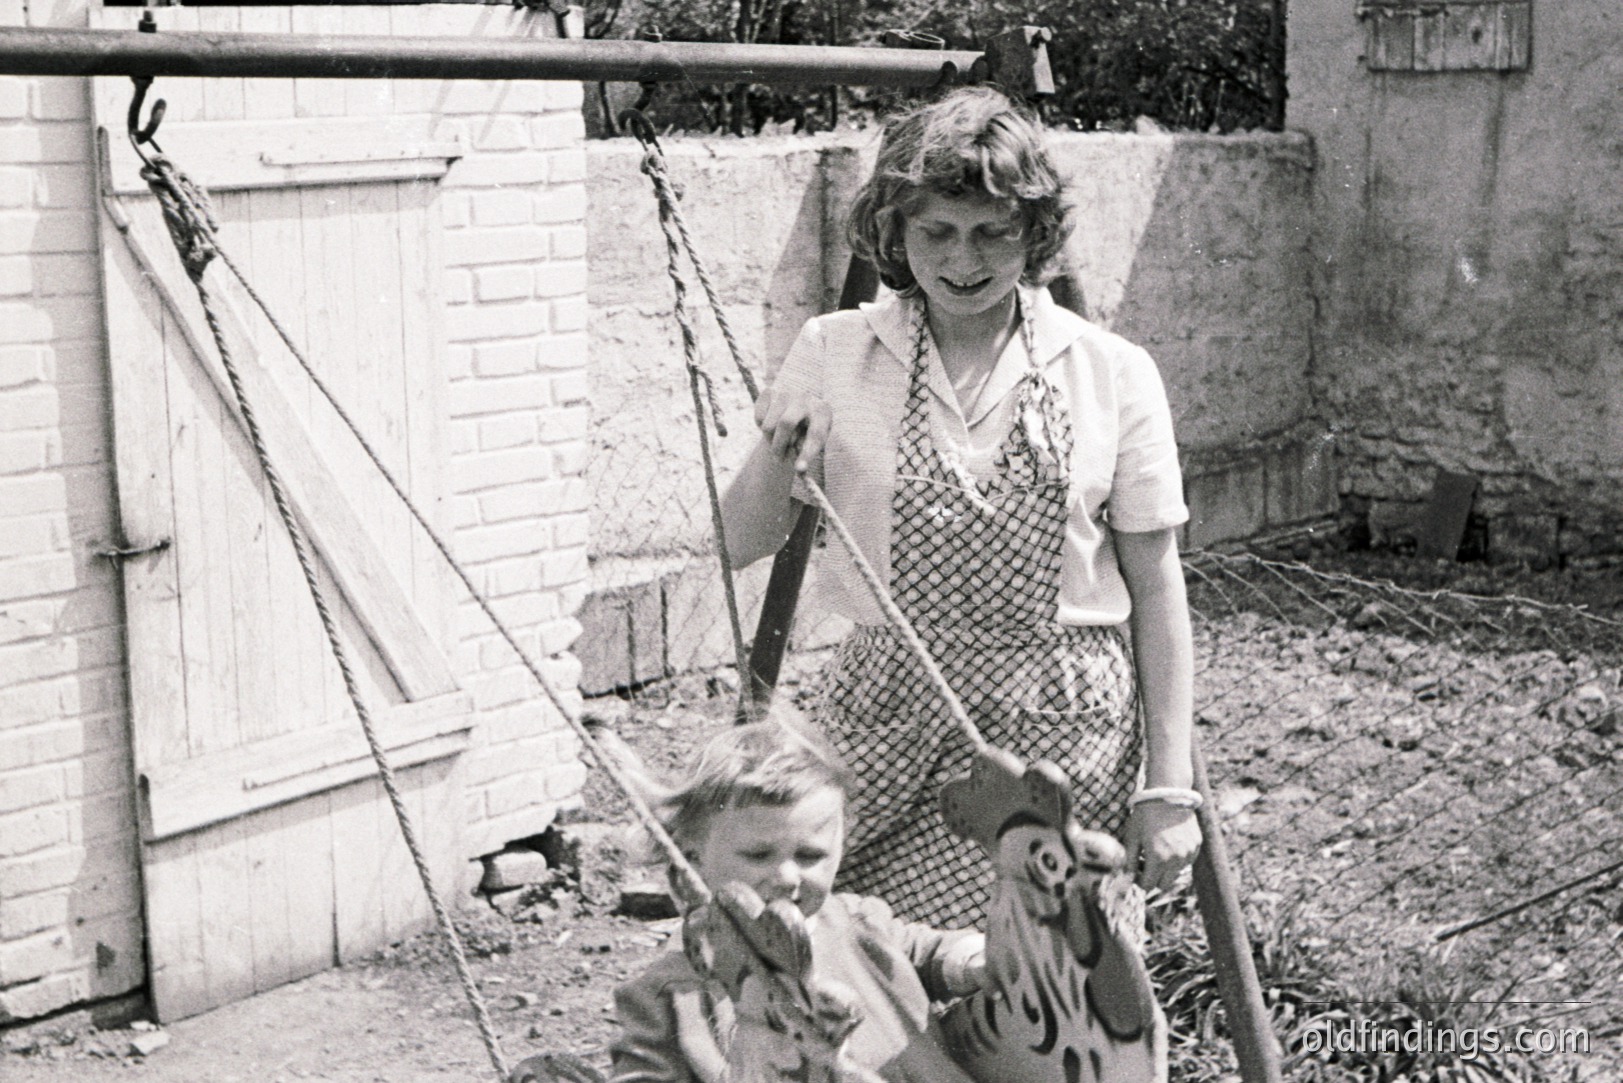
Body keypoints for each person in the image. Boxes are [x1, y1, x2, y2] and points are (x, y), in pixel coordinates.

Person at [719, 86, 1203, 929]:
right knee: (852, 970)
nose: (962, 259)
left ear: (1035, 233)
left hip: (1058, 735)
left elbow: (1157, 588)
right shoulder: (834, 351)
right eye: (935, 231)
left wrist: (1169, 787)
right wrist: (778, 447)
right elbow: (738, 540)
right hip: (883, 721)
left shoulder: (1111, 371)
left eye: (992, 232)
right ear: (896, 234)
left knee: (1040, 991)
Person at [609, 720, 987, 1083]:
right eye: (759, 855)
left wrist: (972, 962)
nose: (788, 877)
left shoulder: (855, 922)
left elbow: (925, 953)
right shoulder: (672, 990)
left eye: (810, 855)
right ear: (692, 860)